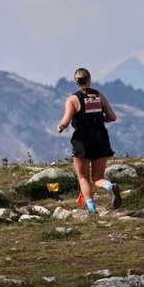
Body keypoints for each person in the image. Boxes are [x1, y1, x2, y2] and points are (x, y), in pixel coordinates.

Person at [56, 67, 120, 213]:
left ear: (76, 82)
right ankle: (109, 186)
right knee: (98, 177)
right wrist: (98, 119)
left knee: (83, 177)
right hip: (101, 137)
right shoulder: (100, 96)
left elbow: (65, 122)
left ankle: (92, 209)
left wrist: (60, 126)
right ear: (89, 80)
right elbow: (112, 117)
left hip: (83, 141)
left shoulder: (73, 99)